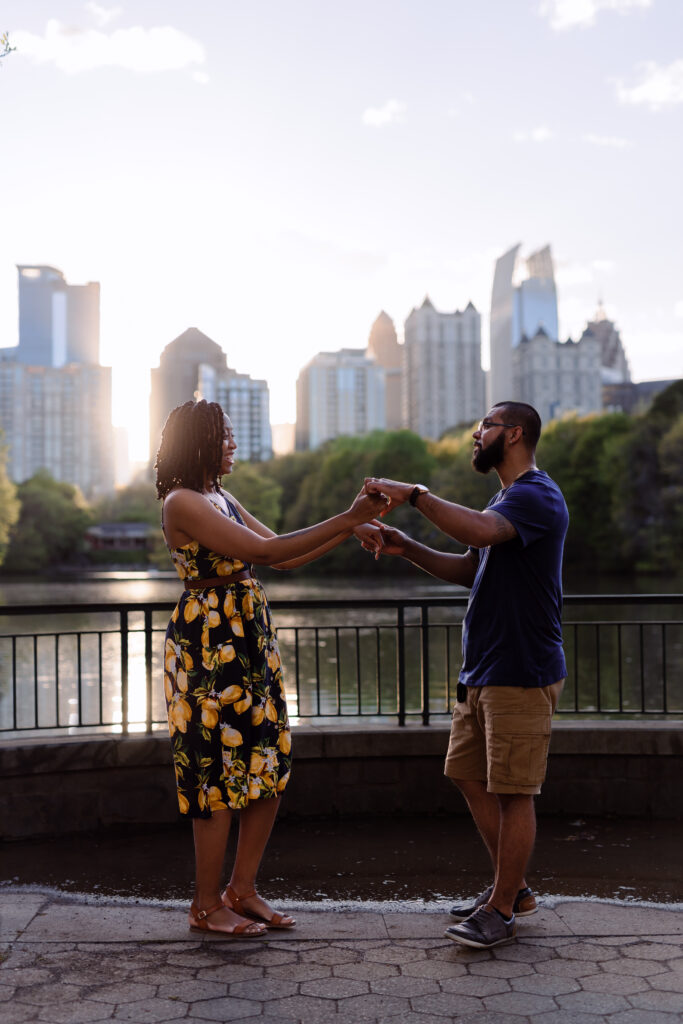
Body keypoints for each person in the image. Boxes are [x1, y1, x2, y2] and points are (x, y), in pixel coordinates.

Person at [155, 399, 387, 937]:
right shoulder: (183, 501)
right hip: (208, 646)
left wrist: (347, 531)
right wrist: (349, 518)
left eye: (233, 435)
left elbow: (280, 558)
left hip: (248, 639)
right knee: (215, 774)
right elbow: (268, 546)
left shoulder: (220, 496)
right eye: (224, 436)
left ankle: (244, 889)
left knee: (268, 764)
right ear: (198, 441)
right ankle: (206, 904)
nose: (233, 444)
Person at [363, 401, 568, 949]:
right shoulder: (505, 501)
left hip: (522, 669)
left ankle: (501, 911)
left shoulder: (537, 494)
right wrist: (406, 547)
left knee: (514, 791)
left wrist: (414, 494)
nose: (476, 435)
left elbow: (477, 529)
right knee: (467, 774)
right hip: (484, 670)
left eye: (486, 427)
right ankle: (515, 888)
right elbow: (466, 568)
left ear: (516, 433)